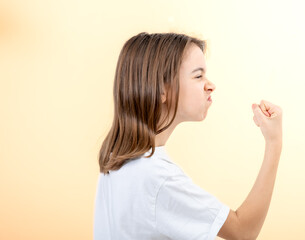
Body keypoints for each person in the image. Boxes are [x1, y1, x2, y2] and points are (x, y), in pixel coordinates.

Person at [93, 32, 283, 240]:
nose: (210, 85)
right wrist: (274, 142)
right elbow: (243, 232)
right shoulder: (159, 179)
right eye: (198, 76)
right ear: (161, 90)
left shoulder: (116, 158)